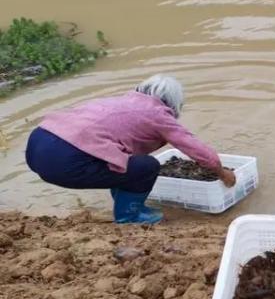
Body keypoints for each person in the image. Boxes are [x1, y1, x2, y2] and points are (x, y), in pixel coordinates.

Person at [25, 74, 236, 224]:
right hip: (64, 162)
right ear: (173, 103)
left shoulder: (119, 102)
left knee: (124, 163)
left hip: (37, 145)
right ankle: (129, 217)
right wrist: (222, 172)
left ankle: (125, 203)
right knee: (147, 166)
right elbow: (196, 150)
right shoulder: (158, 115)